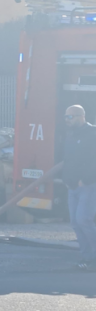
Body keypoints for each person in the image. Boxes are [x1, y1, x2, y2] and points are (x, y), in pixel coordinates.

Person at [62, 105, 96, 271]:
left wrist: (87, 179)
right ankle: (87, 257)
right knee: (75, 222)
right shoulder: (71, 135)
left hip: (89, 185)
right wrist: (66, 179)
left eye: (70, 117)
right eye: (66, 117)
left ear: (81, 116)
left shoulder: (93, 133)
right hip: (72, 186)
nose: (67, 120)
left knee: (84, 219)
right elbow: (68, 160)